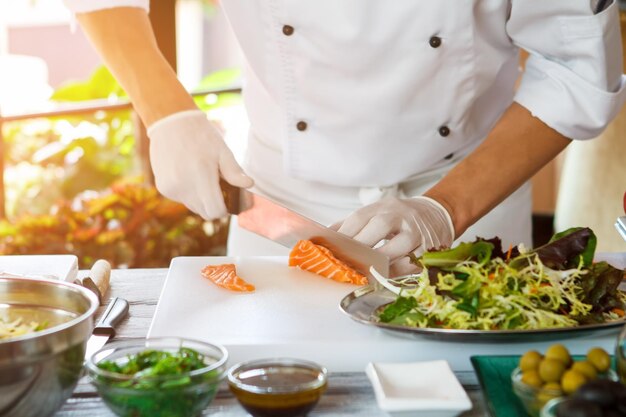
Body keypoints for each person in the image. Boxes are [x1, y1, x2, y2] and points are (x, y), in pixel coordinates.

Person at [63, 0, 625, 276]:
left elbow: (575, 66)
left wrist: (443, 209)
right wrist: (166, 115)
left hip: (469, 203)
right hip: (283, 196)